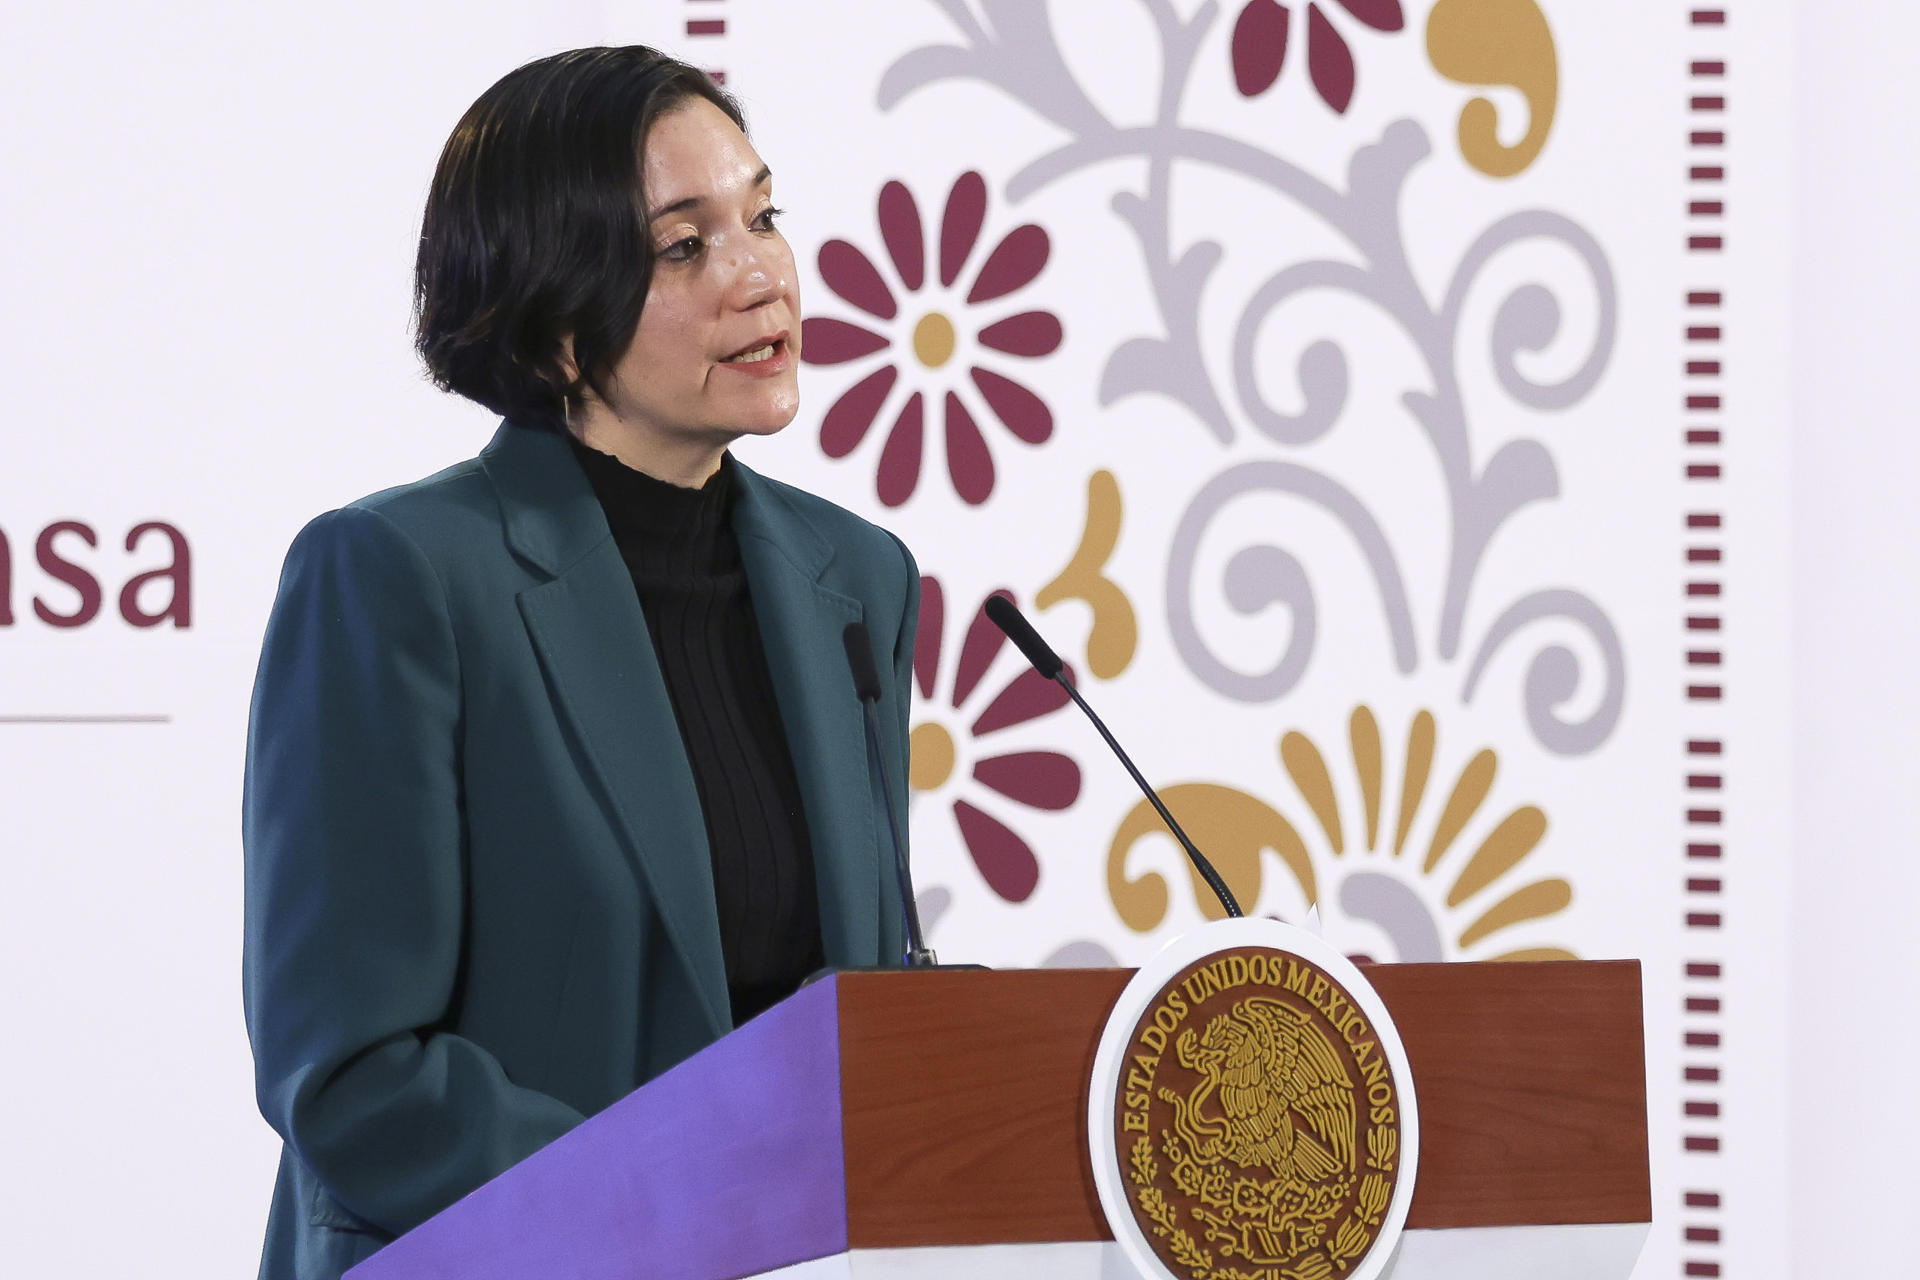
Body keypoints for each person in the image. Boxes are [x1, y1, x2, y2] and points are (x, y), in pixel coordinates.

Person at [241, 46, 918, 1280]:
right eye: (683, 246)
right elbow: (351, 1074)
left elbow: (859, 989)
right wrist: (677, 1192)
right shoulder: (397, 578)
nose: (760, 272)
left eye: (764, 215)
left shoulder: (855, 580)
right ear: (558, 325)